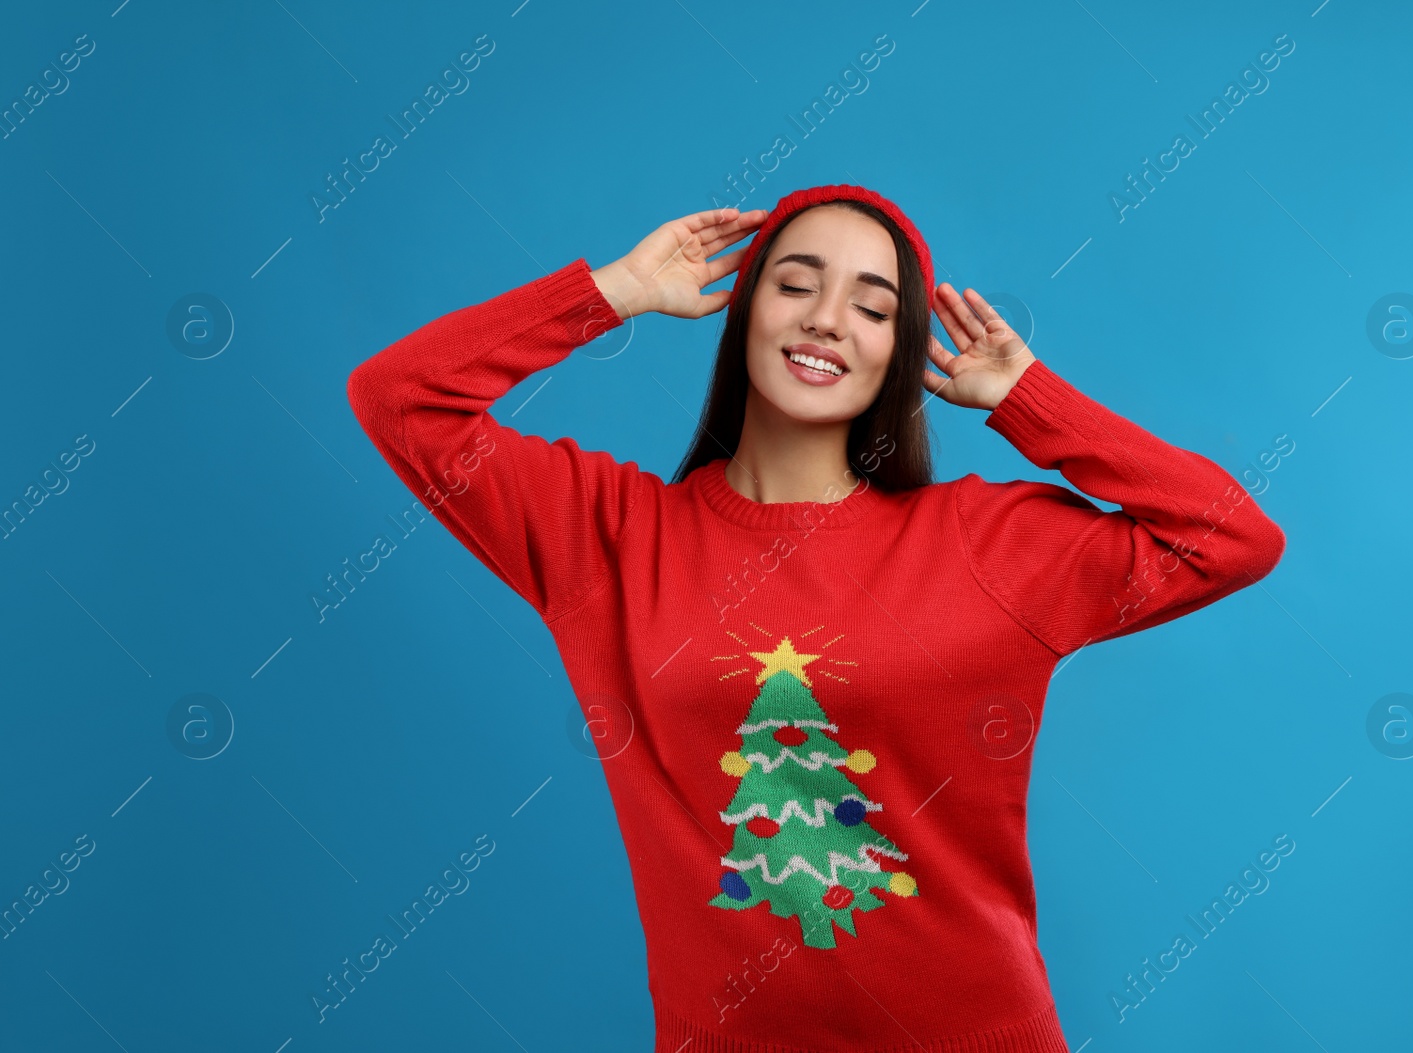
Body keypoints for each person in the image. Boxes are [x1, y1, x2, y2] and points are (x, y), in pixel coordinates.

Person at [347, 183, 1286, 1052]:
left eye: (874, 307)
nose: (828, 319)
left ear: (901, 349)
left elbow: (1230, 538)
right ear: (745, 312)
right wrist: (617, 290)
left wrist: (1026, 399)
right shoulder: (608, 539)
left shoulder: (981, 541)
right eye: (795, 285)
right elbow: (402, 399)